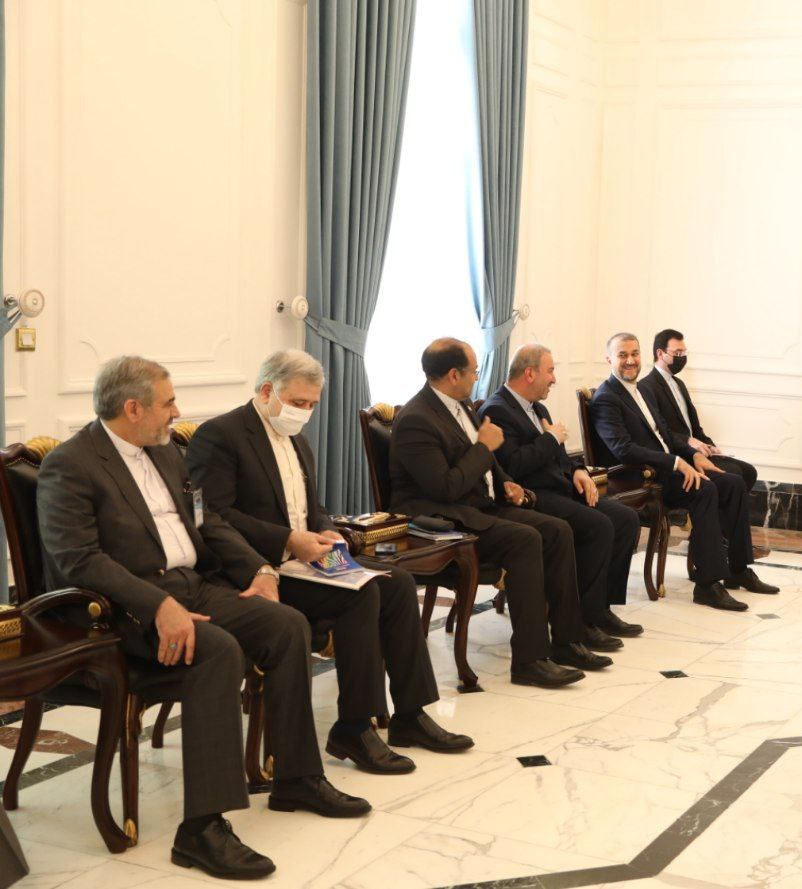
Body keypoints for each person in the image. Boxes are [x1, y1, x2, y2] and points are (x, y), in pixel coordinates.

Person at [37, 356, 369, 881]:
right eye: (168, 403)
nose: (177, 412)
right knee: (217, 650)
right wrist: (157, 605)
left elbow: (206, 521)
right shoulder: (71, 464)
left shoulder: (166, 451)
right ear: (133, 408)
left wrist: (260, 569)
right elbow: (78, 559)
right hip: (124, 610)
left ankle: (296, 779)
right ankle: (201, 828)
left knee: (286, 625)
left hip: (194, 584)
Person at [186, 350, 473, 776]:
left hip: (305, 560)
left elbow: (311, 507)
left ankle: (410, 715)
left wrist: (326, 531)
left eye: (312, 404)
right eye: (297, 402)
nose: (305, 412)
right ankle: (354, 727)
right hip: (255, 568)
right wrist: (287, 540)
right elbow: (213, 515)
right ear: (267, 391)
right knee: (361, 595)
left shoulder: (297, 439)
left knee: (396, 582)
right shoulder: (221, 436)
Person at [388, 338, 610, 687]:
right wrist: (482, 446)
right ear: (453, 375)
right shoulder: (416, 419)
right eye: (474, 371)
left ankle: (567, 642)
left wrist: (506, 482)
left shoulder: (462, 405)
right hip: (442, 519)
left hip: (478, 506)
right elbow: (445, 487)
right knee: (526, 539)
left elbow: (487, 461)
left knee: (558, 530)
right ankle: (529, 661)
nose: (477, 377)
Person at [590, 333, 778, 612]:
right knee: (705, 490)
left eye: (634, 354)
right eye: (622, 355)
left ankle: (737, 570)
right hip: (643, 476)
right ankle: (707, 586)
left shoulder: (642, 391)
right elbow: (623, 449)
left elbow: (666, 434)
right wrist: (676, 462)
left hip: (667, 468)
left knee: (733, 483)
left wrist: (694, 454)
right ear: (609, 359)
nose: (630, 361)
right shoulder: (606, 398)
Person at [479, 344, 643, 637]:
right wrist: (551, 438)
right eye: (550, 371)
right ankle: (583, 619)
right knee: (598, 525)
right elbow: (513, 466)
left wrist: (578, 470)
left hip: (560, 487)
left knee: (626, 519)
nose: (554, 379)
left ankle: (602, 608)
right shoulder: (496, 410)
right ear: (530, 373)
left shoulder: (538, 407)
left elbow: (560, 456)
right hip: (532, 496)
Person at [640, 328, 757, 490]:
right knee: (734, 475)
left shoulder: (679, 384)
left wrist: (709, 445)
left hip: (697, 451)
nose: (682, 357)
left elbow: (694, 428)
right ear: (660, 353)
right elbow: (658, 430)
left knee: (749, 472)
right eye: (678, 353)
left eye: (684, 353)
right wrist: (688, 441)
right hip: (680, 455)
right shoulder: (646, 386)